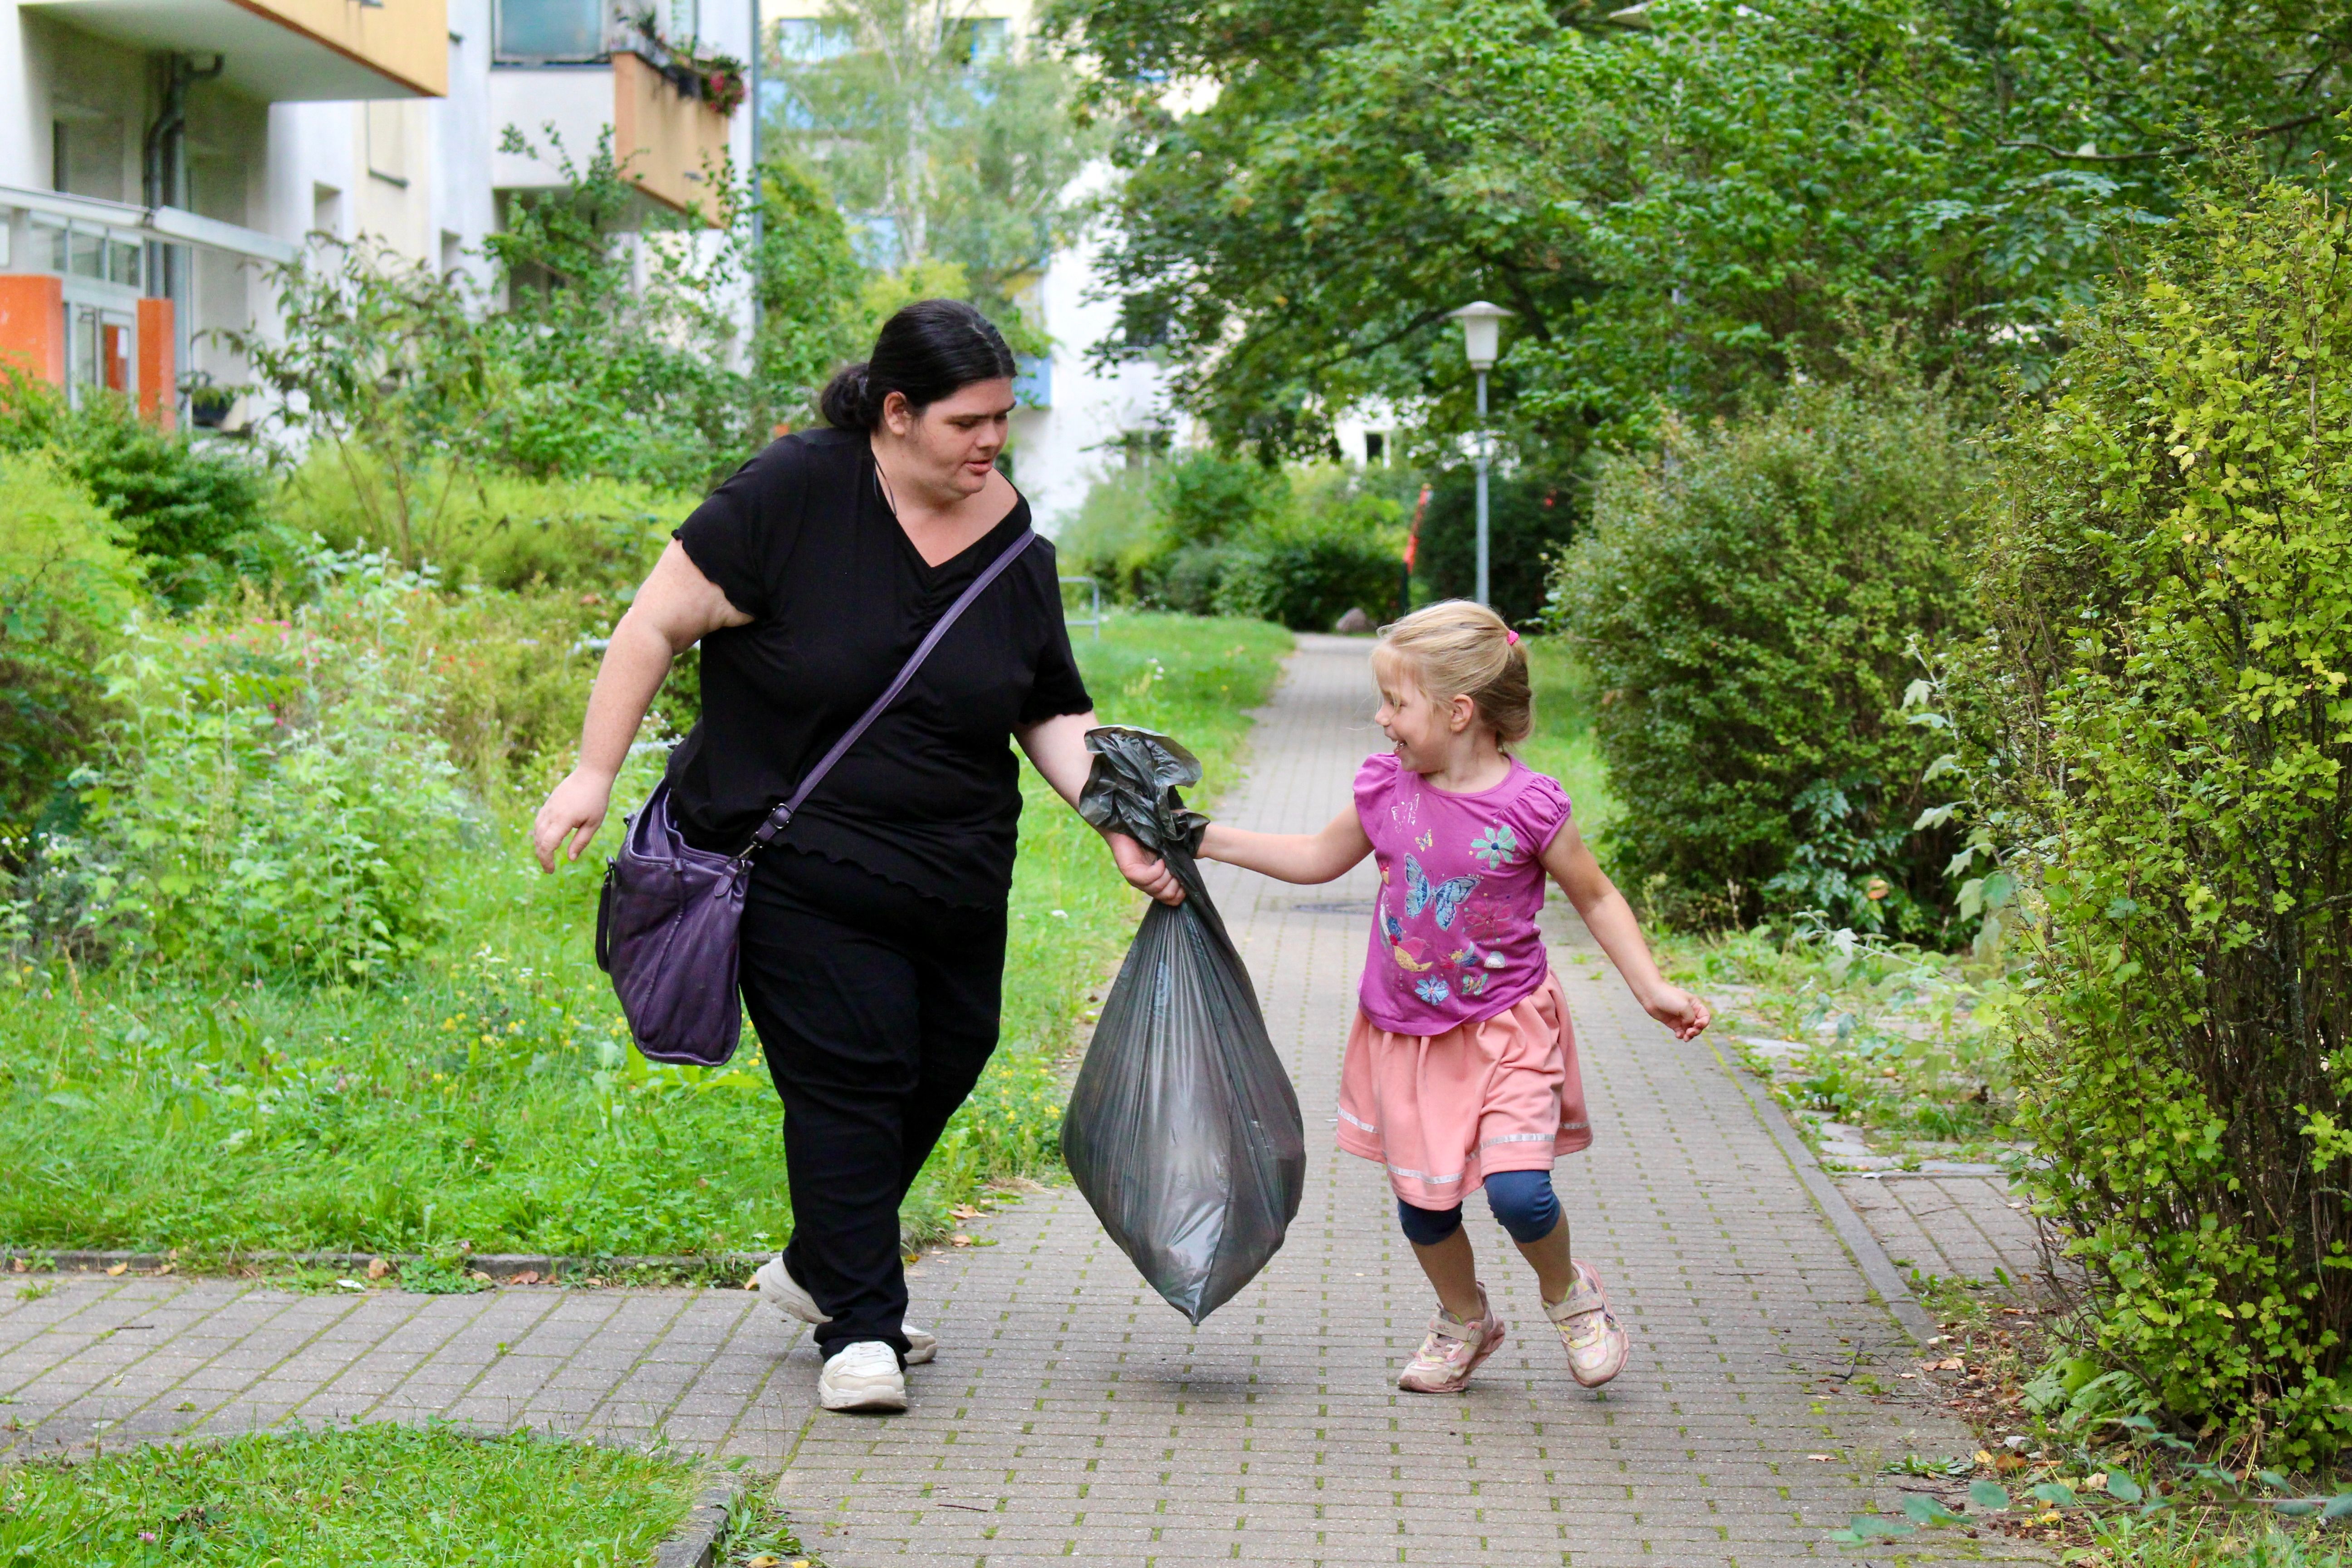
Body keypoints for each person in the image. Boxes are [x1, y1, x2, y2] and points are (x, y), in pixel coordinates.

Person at [531, 300, 1181, 1415]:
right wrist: (593, 770)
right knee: (851, 1076)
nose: (991, 443)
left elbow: (1050, 708)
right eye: (968, 423)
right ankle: (861, 1330)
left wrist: (1117, 820)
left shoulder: (1011, 535)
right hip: (797, 865)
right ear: (895, 412)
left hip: (957, 871)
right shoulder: (793, 495)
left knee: (951, 1053)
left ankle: (829, 1257)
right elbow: (653, 625)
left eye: (1003, 423)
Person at [1193, 601, 1710, 1393]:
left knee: (1518, 1192)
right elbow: (1311, 858)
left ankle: (1570, 1296)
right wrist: (1200, 836)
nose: (1381, 718)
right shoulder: (1387, 790)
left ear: (1459, 712)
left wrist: (1652, 987)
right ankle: (1464, 1319)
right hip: (1407, 1035)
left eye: (1397, 703)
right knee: (1425, 1209)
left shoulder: (1531, 808)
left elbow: (1597, 896)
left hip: (1508, 1026)